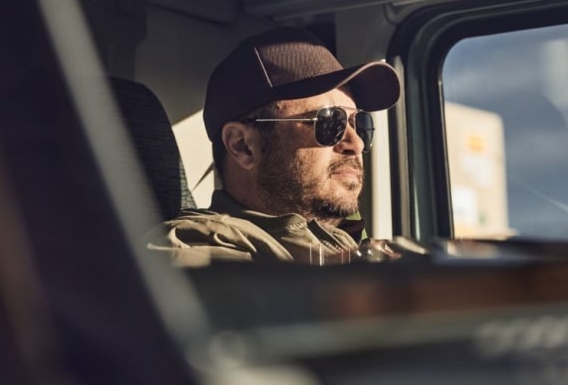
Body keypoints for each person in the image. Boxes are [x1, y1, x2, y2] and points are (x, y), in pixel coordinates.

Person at [145, 26, 405, 265]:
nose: (356, 143)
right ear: (243, 145)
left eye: (358, 123)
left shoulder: (334, 245)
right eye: (328, 121)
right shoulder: (192, 247)